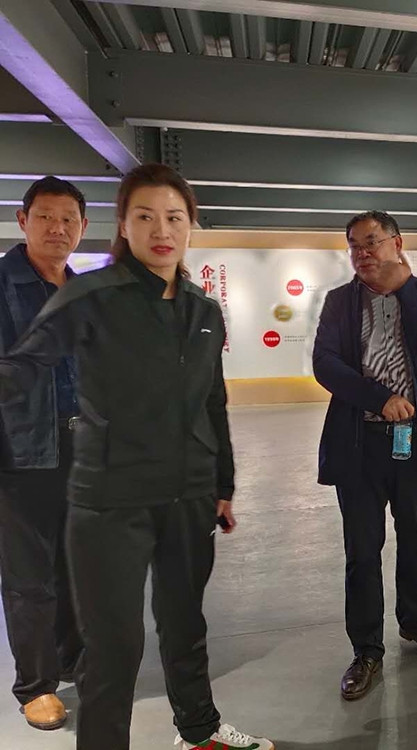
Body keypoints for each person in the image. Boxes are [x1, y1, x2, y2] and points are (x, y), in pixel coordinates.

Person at [0, 164, 271, 750]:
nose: (161, 230)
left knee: (185, 624)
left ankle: (198, 732)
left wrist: (223, 485)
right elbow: (22, 368)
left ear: (191, 226)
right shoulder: (90, 296)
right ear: (123, 225)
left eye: (174, 217)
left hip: (188, 493)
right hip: (109, 499)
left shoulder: (203, 310)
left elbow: (213, 403)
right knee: (114, 647)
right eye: (145, 216)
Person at [313, 210, 417, 701]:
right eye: (354, 245)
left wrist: (406, 287)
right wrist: (378, 398)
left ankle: (415, 621)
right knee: (362, 551)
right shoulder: (340, 302)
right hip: (359, 443)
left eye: (372, 242)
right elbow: (325, 364)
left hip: (414, 443)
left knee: (416, 540)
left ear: (397, 244)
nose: (363, 253)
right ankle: (366, 650)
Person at [0, 176, 86, 730]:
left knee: (76, 563)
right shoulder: (3, 284)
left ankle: (73, 657)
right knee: (29, 573)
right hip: (21, 449)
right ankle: (35, 685)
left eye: (68, 219)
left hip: (84, 447)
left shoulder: (82, 290)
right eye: (46, 217)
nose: (58, 228)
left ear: (82, 226)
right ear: (22, 221)